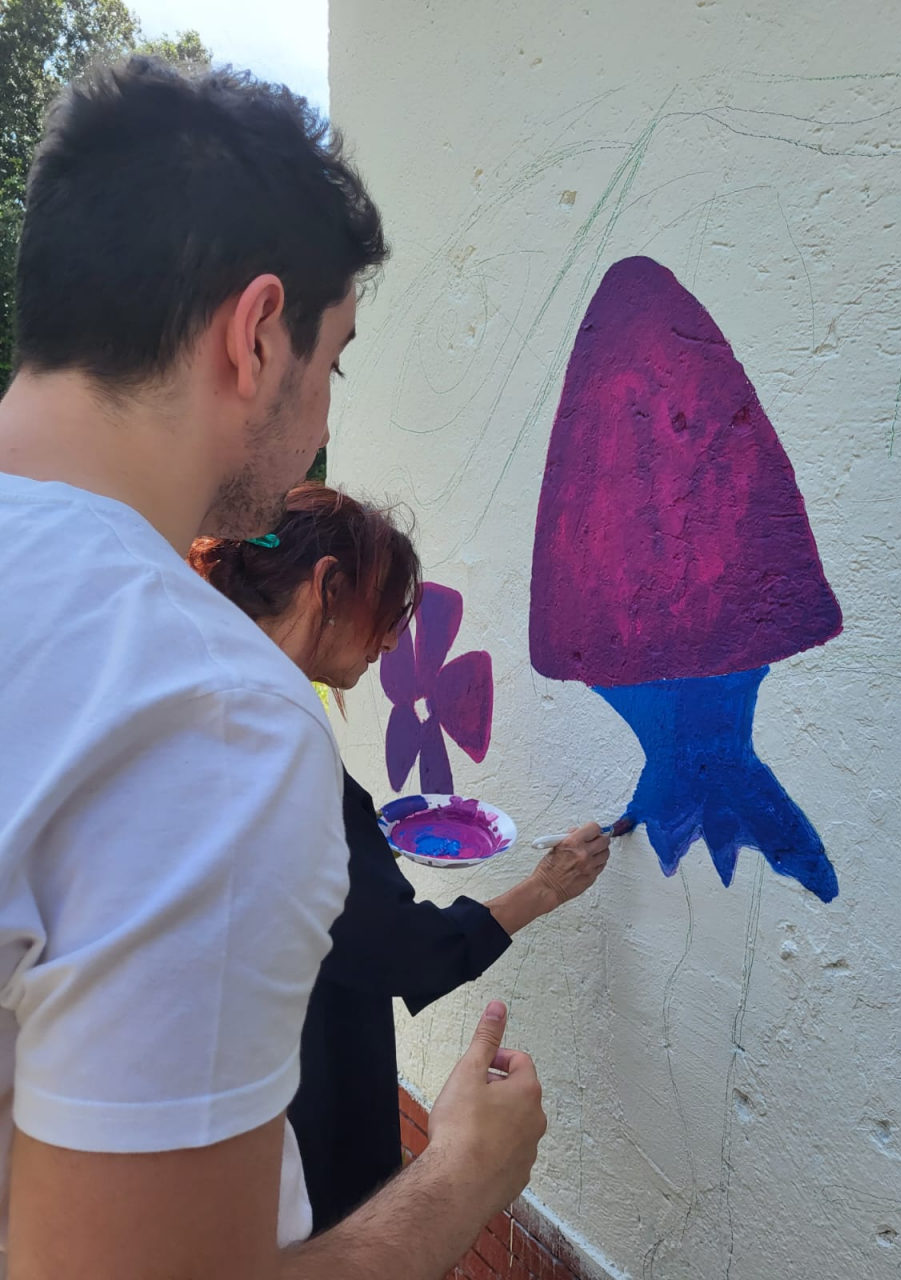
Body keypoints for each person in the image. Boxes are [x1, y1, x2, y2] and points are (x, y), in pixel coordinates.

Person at [0, 55, 546, 1280]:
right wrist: (463, 1172)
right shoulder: (206, 715)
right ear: (256, 335)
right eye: (335, 360)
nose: (327, 423)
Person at [190, 483, 612, 1233]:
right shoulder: (272, 739)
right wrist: (547, 887)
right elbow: (402, 951)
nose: (390, 644)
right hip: (293, 1108)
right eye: (387, 616)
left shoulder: (205, 692)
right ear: (328, 588)